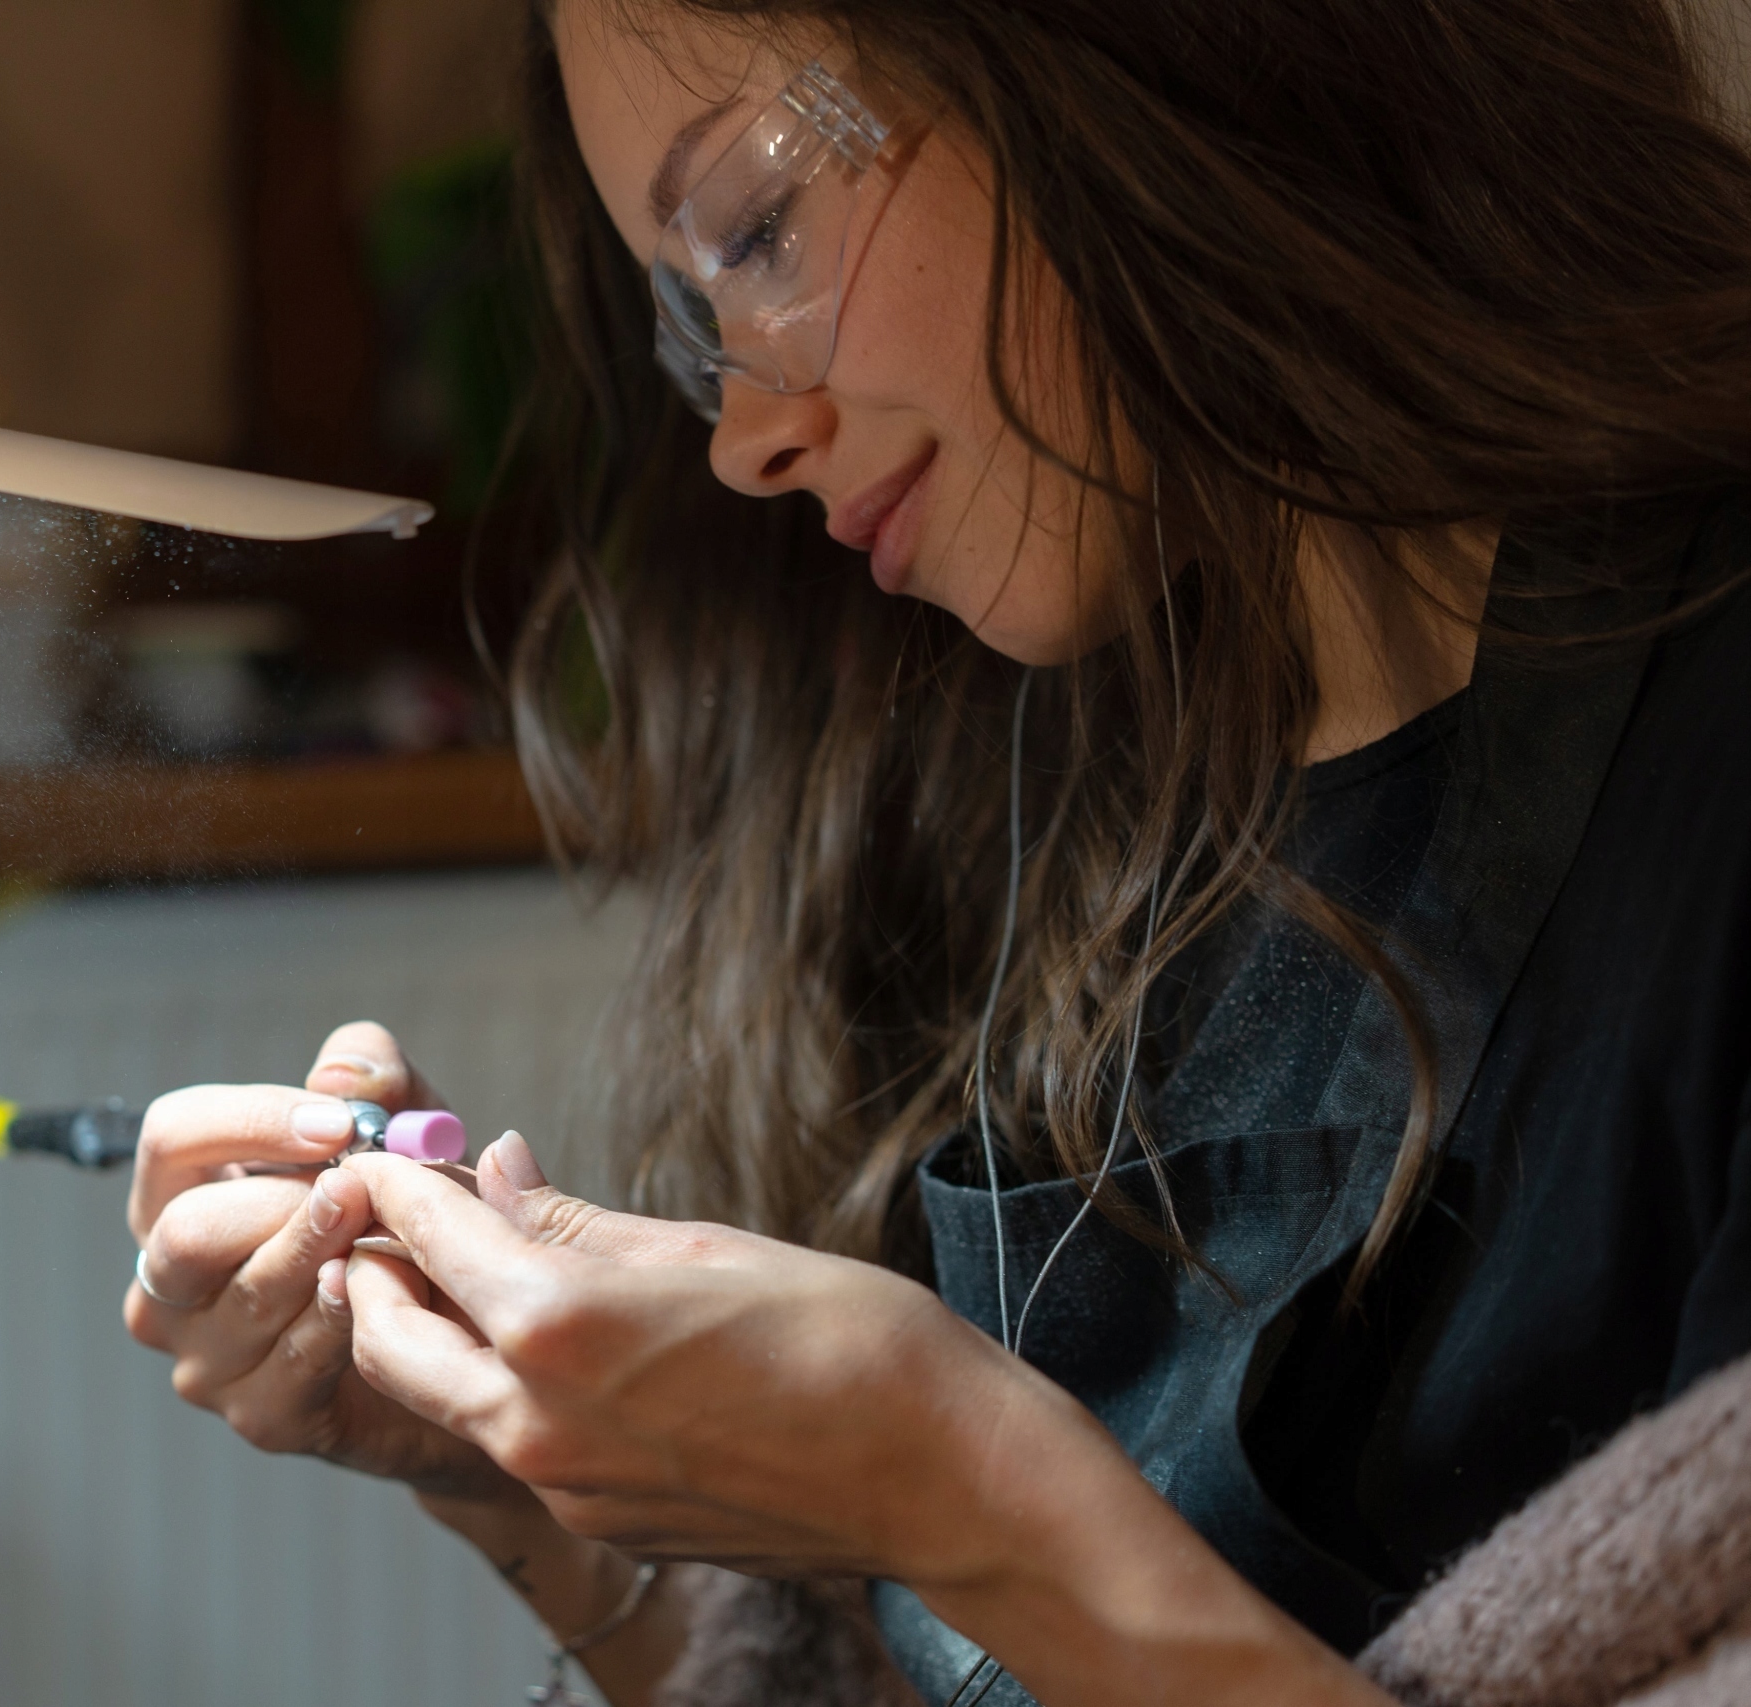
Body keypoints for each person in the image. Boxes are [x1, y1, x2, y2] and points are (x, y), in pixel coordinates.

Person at [124, 0, 1751, 1701]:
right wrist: (500, 1472)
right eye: (693, 317)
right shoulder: (1039, 791)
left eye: (759, 228)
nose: (742, 441)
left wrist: (961, 1487)